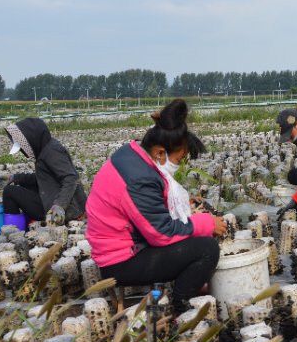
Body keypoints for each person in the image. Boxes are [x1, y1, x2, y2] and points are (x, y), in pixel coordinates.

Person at [85, 99, 226, 314]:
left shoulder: (130, 154)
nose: (179, 165)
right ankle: (182, 307)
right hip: (121, 262)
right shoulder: (140, 179)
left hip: (127, 245)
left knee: (192, 237)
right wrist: (205, 223)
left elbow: (146, 211)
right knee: (207, 249)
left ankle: (189, 286)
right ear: (160, 153)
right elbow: (161, 233)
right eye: (179, 159)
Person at [3, 118, 87, 227]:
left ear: (31, 139)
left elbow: (71, 178)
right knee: (23, 187)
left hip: (65, 209)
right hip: (52, 197)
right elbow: (44, 179)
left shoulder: (52, 152)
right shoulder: (45, 149)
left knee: (9, 192)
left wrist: (59, 205)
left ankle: (14, 231)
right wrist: (16, 178)